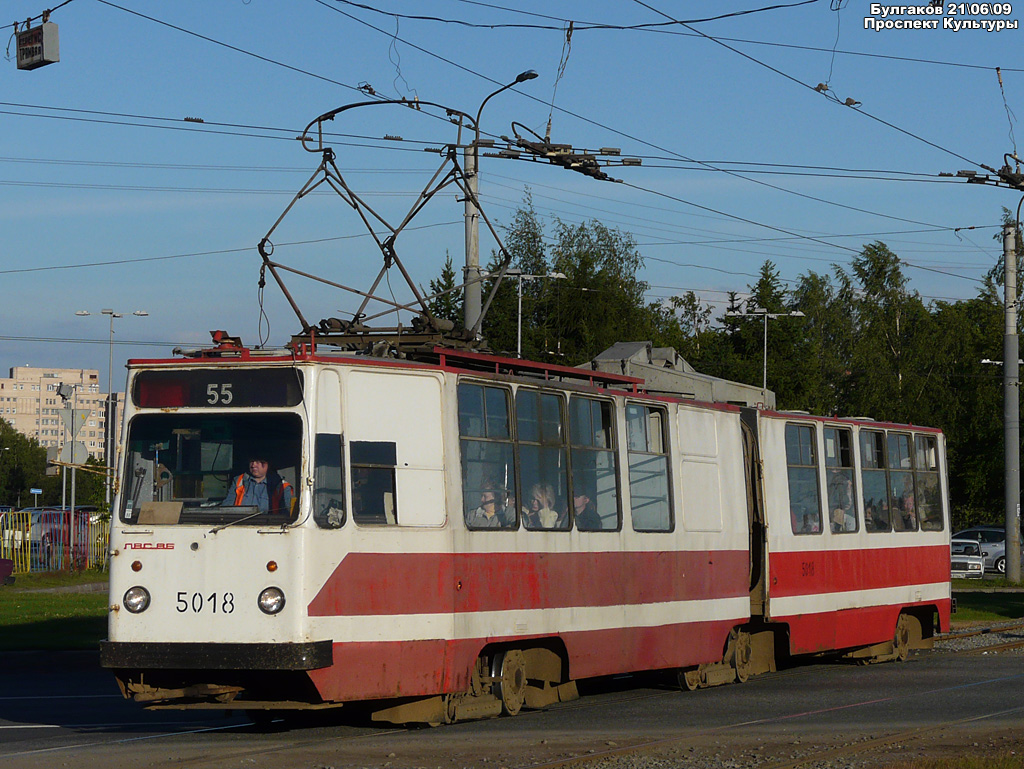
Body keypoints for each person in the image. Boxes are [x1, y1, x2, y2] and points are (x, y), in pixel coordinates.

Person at [222, 455, 294, 515]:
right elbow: (226, 509)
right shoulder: (238, 481)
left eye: (258, 462)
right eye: (252, 461)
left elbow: (284, 517)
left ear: (267, 464)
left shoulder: (282, 487)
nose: (253, 465)